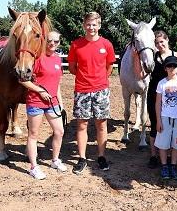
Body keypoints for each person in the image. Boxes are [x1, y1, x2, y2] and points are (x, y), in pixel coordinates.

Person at [68, 11, 116, 174]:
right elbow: (73, 68)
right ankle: (81, 158)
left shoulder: (106, 44)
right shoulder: (76, 44)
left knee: (101, 125)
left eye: (94, 24)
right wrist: (85, 78)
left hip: (101, 90)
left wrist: (100, 79)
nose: (91, 27)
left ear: (99, 26)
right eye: (88, 24)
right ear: (84, 25)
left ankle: (101, 156)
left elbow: (109, 67)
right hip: (82, 90)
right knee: (82, 125)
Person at [20, 30, 67, 180]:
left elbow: (57, 84)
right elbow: (23, 80)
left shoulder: (58, 59)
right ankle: (33, 167)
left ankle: (55, 160)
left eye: (56, 41)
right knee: (33, 134)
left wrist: (61, 103)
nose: (52, 43)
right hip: (36, 102)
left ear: (59, 43)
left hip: (52, 102)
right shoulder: (37, 58)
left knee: (59, 131)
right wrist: (40, 91)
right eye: (49, 40)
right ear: (44, 40)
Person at [147, 30, 177, 169]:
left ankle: (170, 155)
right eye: (157, 43)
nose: (160, 45)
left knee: (172, 125)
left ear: (167, 40)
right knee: (155, 124)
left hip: (172, 95)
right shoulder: (152, 57)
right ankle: (153, 155)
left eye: (162, 41)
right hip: (155, 94)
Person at [155, 55, 177, 180]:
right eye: (169, 66)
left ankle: (173, 166)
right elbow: (158, 103)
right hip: (164, 117)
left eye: (175, 66)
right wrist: (158, 120)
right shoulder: (162, 83)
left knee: (176, 144)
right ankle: (164, 166)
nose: (172, 68)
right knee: (163, 144)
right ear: (165, 68)